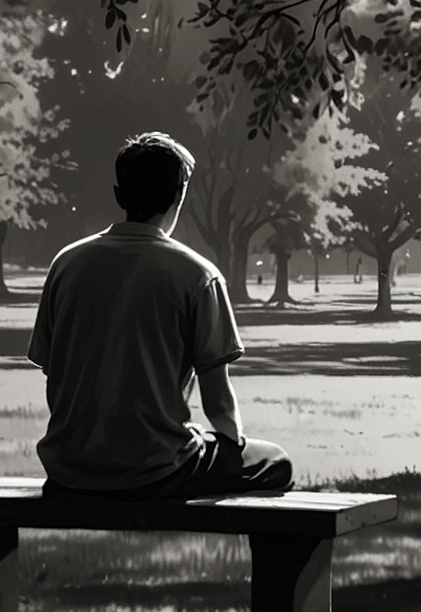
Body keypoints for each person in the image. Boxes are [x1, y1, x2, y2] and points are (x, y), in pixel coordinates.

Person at [31, 131, 292, 500]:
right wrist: (230, 443)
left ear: (120, 194)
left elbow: (52, 378)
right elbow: (218, 403)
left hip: (69, 470)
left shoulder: (66, 264)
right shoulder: (197, 275)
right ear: (178, 195)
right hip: (156, 471)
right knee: (276, 462)